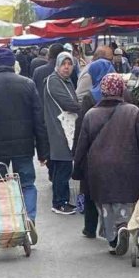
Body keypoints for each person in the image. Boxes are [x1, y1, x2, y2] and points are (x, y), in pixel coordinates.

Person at [73, 73, 139, 255]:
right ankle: (123, 225)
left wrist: (77, 172)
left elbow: (81, 147)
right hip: (127, 167)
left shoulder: (91, 115)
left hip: (99, 170)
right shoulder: (133, 112)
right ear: (122, 89)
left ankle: (113, 239)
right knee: (125, 203)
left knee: (105, 206)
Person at [0, 47, 47, 231]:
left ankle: (5, 225)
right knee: (27, 184)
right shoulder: (28, 84)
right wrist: (43, 151)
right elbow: (39, 120)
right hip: (24, 146)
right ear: (12, 64)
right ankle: (29, 218)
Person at [74, 58, 117, 238]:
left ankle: (90, 227)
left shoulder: (90, 97)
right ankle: (116, 227)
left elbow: (81, 128)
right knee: (116, 191)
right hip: (120, 148)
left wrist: (77, 153)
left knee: (91, 189)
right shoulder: (126, 94)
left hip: (94, 151)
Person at [43, 51, 81, 215]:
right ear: (57, 65)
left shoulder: (65, 81)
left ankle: (63, 200)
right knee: (63, 165)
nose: (67, 67)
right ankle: (59, 202)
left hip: (64, 128)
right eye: (63, 64)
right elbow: (68, 103)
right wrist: (83, 107)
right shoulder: (54, 81)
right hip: (59, 129)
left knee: (63, 166)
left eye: (69, 64)